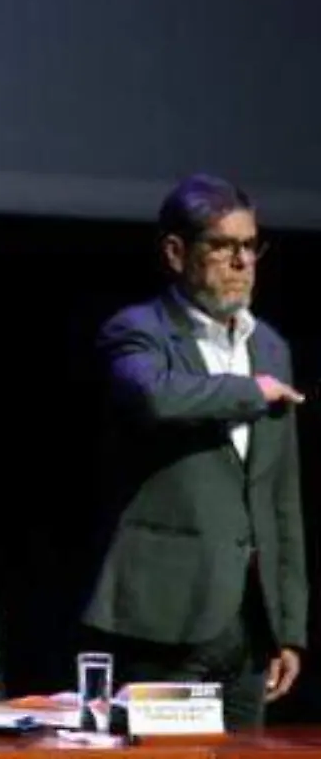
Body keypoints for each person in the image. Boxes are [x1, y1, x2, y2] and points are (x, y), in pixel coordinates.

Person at [82, 174, 305, 728]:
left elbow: (282, 495)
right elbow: (155, 395)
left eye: (250, 245)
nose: (241, 261)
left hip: (249, 624)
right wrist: (251, 392)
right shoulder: (139, 331)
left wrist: (288, 627)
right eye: (223, 245)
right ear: (176, 251)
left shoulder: (270, 347)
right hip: (165, 617)